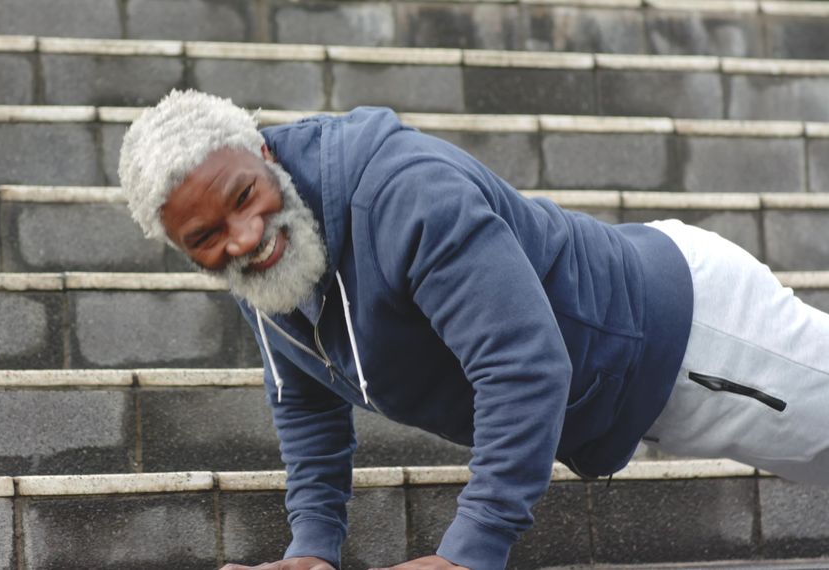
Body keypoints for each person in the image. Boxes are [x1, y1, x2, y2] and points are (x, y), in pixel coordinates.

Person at [117, 89, 829, 570]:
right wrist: (312, 547)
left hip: (693, 335)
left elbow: (523, 366)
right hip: (631, 373)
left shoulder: (401, 192)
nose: (243, 238)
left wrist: (470, 550)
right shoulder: (267, 267)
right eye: (207, 237)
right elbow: (305, 402)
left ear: (265, 156)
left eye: (245, 197)